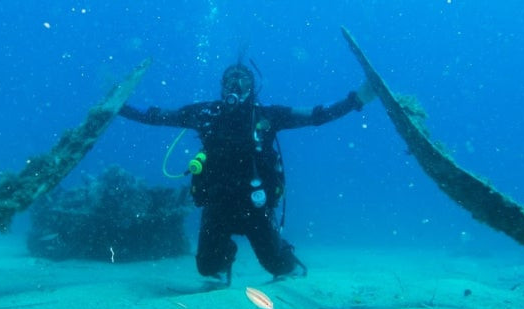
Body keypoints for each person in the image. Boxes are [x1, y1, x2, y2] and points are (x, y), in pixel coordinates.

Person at [119, 62, 375, 286]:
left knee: (277, 265)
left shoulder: (267, 116)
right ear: (221, 85)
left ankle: (289, 263)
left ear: (254, 87)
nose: (236, 85)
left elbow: (317, 115)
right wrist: (119, 106)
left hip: (255, 204)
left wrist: (357, 99)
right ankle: (223, 262)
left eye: (243, 80)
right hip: (217, 203)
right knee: (207, 267)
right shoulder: (205, 113)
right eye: (230, 79)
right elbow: (156, 116)